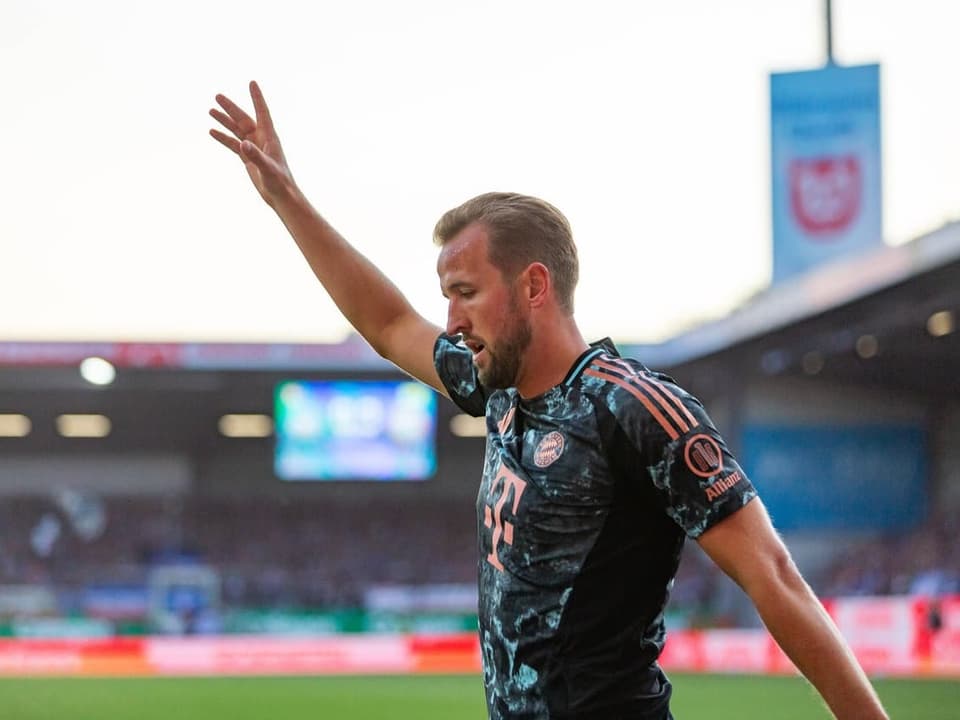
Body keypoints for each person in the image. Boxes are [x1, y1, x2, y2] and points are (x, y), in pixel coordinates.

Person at [209, 81, 889, 720]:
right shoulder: (495, 388)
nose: (449, 321)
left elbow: (774, 576)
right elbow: (389, 326)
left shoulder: (634, 410)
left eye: (466, 293)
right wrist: (287, 200)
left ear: (534, 286)